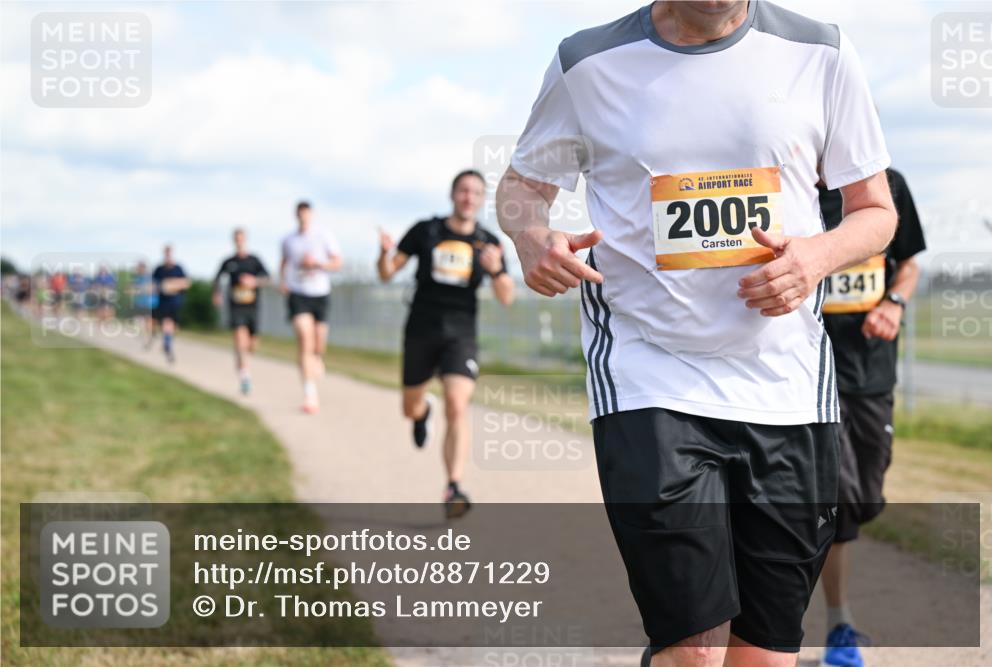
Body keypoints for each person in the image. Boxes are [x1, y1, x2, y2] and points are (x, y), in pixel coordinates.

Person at [497, 2, 897, 666]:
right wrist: (532, 237)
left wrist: (815, 259)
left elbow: (874, 211)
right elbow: (521, 186)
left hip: (787, 388)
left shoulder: (822, 52)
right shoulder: (587, 61)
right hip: (650, 375)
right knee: (694, 650)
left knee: (762, 656)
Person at [817, 167, 926, 667]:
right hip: (807, 372)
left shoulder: (889, 185)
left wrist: (895, 305)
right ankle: (838, 625)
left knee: (863, 497)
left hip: (871, 372)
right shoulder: (788, 188)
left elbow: (909, 264)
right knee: (835, 501)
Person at [377, 169, 515, 519]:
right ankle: (423, 413)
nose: (469, 197)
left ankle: (453, 486)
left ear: (481, 200)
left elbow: (506, 297)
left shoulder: (488, 243)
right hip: (421, 331)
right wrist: (383, 254)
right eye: (463, 191)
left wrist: (497, 270)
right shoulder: (427, 231)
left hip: (461, 334)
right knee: (409, 408)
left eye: (476, 193)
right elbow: (387, 271)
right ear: (453, 195)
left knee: (457, 404)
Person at [279, 201, 342, 413]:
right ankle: (310, 395)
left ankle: (318, 356)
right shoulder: (289, 240)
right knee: (304, 338)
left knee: (318, 341)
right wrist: (283, 281)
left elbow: (337, 262)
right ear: (296, 215)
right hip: (298, 294)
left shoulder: (324, 236)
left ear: (311, 215)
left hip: (320, 293)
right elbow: (284, 262)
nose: (303, 217)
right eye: (300, 214)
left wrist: (317, 264)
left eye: (306, 214)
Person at [213, 228, 270, 395]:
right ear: (233, 241)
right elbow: (217, 278)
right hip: (236, 307)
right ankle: (245, 377)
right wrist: (216, 294)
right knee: (240, 340)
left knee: (251, 345)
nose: (239, 241)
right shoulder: (228, 262)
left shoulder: (254, 260)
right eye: (236, 239)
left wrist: (254, 281)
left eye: (241, 239)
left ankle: (241, 359)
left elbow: (267, 278)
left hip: (252, 307)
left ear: (245, 240)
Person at [152, 245, 190, 364]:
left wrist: (172, 284)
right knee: (166, 323)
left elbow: (186, 283)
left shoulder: (178, 268)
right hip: (163, 302)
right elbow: (153, 284)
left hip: (176, 302)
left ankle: (168, 342)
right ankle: (167, 345)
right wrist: (161, 287)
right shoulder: (159, 269)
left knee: (173, 326)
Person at [131, 261, 158, 349]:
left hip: (149, 303)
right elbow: (130, 289)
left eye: (141, 268)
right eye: (138, 268)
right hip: (139, 303)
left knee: (148, 322)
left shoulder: (150, 277)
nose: (139, 270)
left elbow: (154, 288)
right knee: (138, 321)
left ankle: (148, 339)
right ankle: (147, 336)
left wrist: (143, 289)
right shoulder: (136, 278)